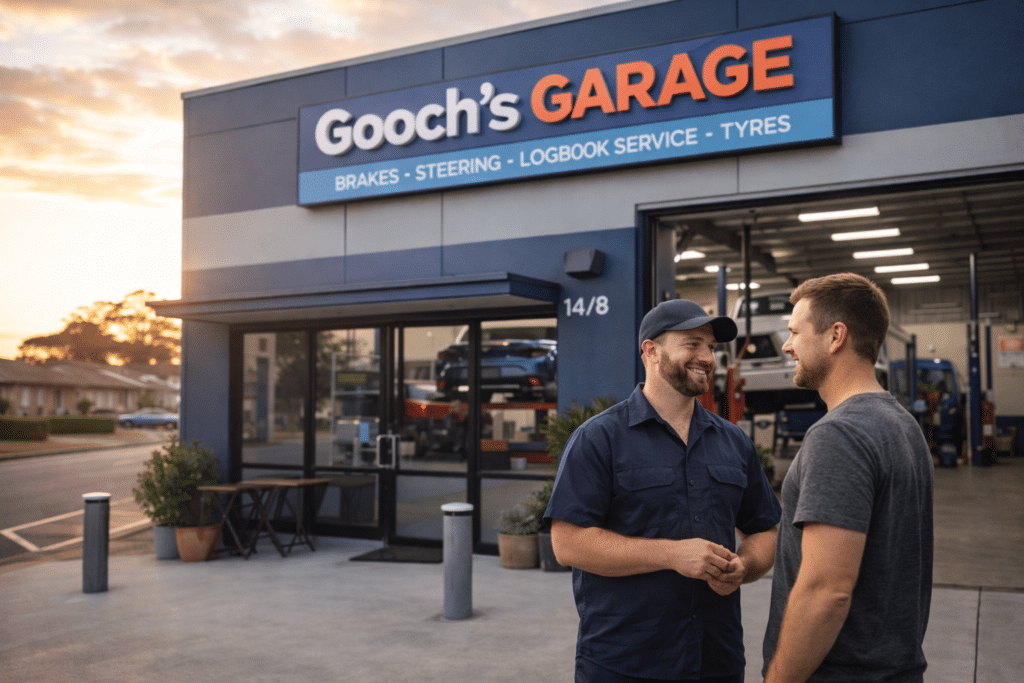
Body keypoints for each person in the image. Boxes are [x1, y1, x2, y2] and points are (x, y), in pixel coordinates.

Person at [545, 298, 781, 682]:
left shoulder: (734, 442)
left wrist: (745, 566)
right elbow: (567, 543)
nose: (706, 357)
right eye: (692, 344)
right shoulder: (599, 439)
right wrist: (672, 554)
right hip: (626, 661)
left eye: (711, 347)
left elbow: (764, 529)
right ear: (651, 351)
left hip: (715, 659)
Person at [762, 273, 934, 683]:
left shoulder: (838, 434)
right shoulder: (903, 425)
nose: (787, 346)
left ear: (835, 336)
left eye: (795, 332)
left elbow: (827, 591)